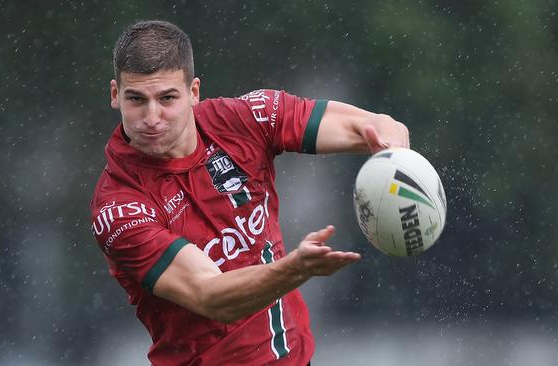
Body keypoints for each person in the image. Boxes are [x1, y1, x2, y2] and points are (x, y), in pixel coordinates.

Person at [89, 20, 409, 365]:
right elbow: (212, 297)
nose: (152, 117)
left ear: (194, 92)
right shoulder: (118, 207)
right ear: (114, 95)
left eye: (167, 98)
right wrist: (296, 268)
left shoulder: (243, 121)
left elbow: (374, 126)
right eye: (136, 100)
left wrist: (393, 153)